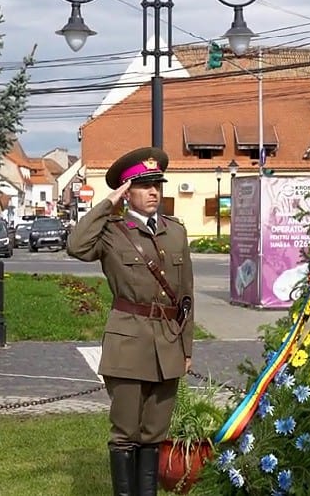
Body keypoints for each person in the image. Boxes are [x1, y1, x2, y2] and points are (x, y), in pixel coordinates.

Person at [67, 147, 194, 496]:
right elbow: (76, 245)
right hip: (128, 341)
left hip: (168, 342)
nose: (154, 192)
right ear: (127, 191)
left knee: (154, 432)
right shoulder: (112, 232)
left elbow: (186, 296)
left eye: (157, 185)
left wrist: (186, 348)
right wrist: (108, 204)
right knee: (125, 433)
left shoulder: (175, 232)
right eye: (143, 185)